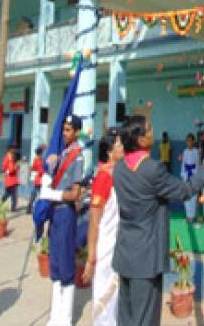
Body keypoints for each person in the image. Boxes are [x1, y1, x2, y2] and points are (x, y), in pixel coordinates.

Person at [113, 113, 204, 325]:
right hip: (146, 258)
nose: (153, 132)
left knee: (126, 318)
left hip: (125, 254)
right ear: (140, 139)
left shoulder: (119, 168)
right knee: (144, 319)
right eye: (149, 129)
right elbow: (185, 190)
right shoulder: (152, 169)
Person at [36, 116, 88, 326]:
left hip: (65, 212)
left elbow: (75, 193)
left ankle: (65, 318)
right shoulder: (60, 154)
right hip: (54, 214)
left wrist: (53, 195)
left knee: (66, 265)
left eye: (68, 130)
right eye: (63, 129)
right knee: (55, 263)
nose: (64, 133)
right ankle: (55, 316)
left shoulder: (76, 156)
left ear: (76, 132)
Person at [82, 128, 123, 325]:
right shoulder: (103, 178)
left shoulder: (118, 174)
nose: (123, 147)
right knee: (104, 297)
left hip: (118, 244)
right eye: (119, 144)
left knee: (115, 297)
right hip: (106, 246)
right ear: (109, 151)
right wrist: (91, 257)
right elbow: (94, 221)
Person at [179, 132, 201, 225]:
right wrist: (184, 175)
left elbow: (197, 164)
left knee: (193, 196)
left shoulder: (196, 151)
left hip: (193, 175)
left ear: (193, 141)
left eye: (190, 141)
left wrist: (194, 174)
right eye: (187, 141)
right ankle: (188, 215)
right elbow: (183, 164)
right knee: (186, 196)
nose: (189, 142)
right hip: (186, 175)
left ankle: (192, 216)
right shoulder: (185, 151)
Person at [26, 145, 45, 214]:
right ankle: (36, 209)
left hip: (38, 180)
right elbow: (40, 170)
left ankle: (29, 208)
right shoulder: (39, 160)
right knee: (40, 195)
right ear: (41, 153)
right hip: (40, 180)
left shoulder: (36, 159)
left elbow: (34, 168)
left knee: (33, 195)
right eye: (42, 152)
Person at [2, 147, 20, 212]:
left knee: (8, 194)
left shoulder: (11, 158)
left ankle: (0, 204)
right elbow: (5, 169)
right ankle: (13, 208)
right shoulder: (7, 158)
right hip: (10, 180)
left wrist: (16, 167)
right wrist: (14, 168)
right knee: (13, 195)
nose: (14, 152)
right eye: (13, 151)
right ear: (9, 151)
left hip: (12, 180)